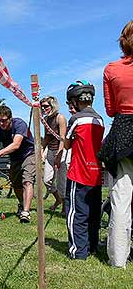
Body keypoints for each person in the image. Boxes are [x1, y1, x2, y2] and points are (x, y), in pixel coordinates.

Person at [98, 20, 133, 268]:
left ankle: (118, 259)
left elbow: (111, 110)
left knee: (121, 197)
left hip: (124, 131)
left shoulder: (111, 69)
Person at [64, 80, 104, 260]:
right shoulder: (100, 120)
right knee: (93, 213)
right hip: (96, 173)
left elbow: (66, 144)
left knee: (76, 213)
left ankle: (78, 252)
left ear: (75, 100)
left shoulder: (76, 119)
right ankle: (92, 246)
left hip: (79, 173)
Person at [0, 105, 35, 223]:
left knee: (27, 180)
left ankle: (26, 212)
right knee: (16, 184)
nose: (1, 123)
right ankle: (21, 203)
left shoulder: (19, 124)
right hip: (14, 158)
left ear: (10, 118)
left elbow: (16, 144)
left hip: (29, 154)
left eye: (4, 120)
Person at [40, 96, 67, 212]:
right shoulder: (45, 120)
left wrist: (59, 155)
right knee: (47, 180)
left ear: (53, 105)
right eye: (42, 106)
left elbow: (63, 138)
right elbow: (46, 137)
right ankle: (58, 199)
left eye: (46, 106)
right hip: (51, 151)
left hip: (62, 151)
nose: (43, 108)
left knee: (62, 182)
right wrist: (42, 149)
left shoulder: (60, 118)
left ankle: (65, 207)